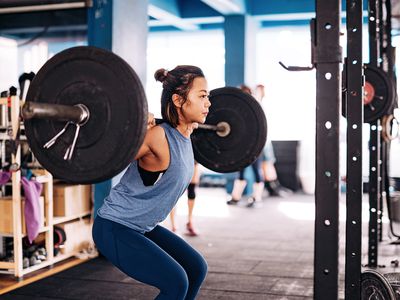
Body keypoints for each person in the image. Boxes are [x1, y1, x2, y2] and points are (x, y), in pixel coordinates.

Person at [92, 65, 210, 299]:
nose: (209, 103)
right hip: (115, 227)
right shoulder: (157, 136)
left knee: (196, 269)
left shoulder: (186, 134)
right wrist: (135, 129)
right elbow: (106, 157)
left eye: (209, 97)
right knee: (176, 282)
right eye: (203, 96)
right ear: (178, 99)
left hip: (142, 227)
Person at [226, 84, 264, 207]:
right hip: (242, 147)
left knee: (256, 171)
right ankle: (236, 197)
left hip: (256, 146)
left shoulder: (255, 108)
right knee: (241, 172)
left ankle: (256, 198)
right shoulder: (239, 109)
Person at [169, 162, 200, 236]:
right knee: (175, 191)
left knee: (191, 189)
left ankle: (189, 222)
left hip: (193, 159)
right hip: (179, 159)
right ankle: (173, 226)